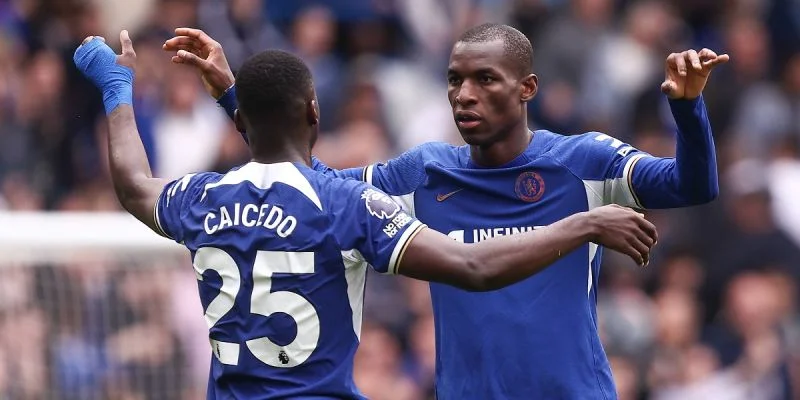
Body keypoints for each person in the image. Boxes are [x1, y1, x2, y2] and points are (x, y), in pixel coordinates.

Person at [74, 31, 656, 399]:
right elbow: (473, 266)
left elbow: (133, 186)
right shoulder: (346, 204)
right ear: (314, 112)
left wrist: (117, 87)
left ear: (244, 121)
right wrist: (584, 223)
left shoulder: (202, 199)